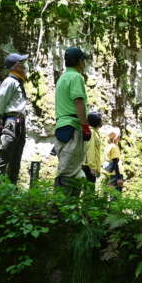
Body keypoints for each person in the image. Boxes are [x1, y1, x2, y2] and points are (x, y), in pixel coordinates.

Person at [54, 46, 91, 194]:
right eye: (83, 60)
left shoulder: (62, 78)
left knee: (73, 170)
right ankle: (60, 209)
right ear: (79, 61)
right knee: (68, 172)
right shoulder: (76, 77)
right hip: (73, 126)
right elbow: (79, 102)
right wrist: (85, 126)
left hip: (61, 126)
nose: (84, 63)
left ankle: (70, 208)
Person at [0, 53, 29, 183]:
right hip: (12, 122)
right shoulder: (9, 81)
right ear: (15, 66)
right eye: (21, 63)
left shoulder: (18, 81)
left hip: (19, 123)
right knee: (4, 156)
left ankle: (11, 189)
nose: (24, 66)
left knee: (16, 159)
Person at [82, 111, 103, 189]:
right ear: (96, 121)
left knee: (88, 189)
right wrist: (92, 167)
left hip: (88, 165)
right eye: (101, 119)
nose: (102, 121)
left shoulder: (94, 131)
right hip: (88, 166)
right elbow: (90, 149)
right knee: (89, 190)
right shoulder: (92, 132)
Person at [101, 126, 123, 193]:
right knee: (115, 195)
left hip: (108, 173)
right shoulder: (114, 147)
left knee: (107, 193)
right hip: (115, 174)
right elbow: (115, 162)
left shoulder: (108, 146)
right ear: (116, 137)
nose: (120, 136)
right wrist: (119, 178)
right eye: (119, 135)